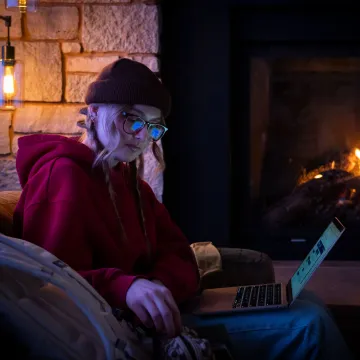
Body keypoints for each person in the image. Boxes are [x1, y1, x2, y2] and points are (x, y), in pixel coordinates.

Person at [13, 58, 353, 359]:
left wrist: (157, 286)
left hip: (164, 313)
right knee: (309, 324)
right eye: (132, 120)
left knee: (308, 300)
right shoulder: (62, 177)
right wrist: (127, 288)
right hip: (126, 328)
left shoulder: (131, 184)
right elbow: (51, 288)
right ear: (95, 111)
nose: (142, 137)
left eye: (154, 127)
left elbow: (180, 256)